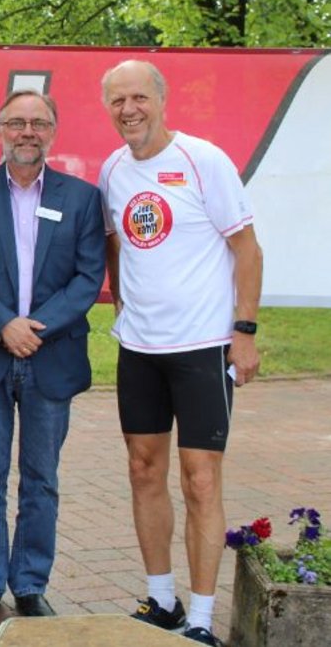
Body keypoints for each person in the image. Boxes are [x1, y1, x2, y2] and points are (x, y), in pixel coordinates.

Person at [99, 60, 262, 647]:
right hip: (140, 349)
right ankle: (162, 600)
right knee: (143, 471)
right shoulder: (113, 170)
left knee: (200, 481)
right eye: (117, 100)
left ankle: (199, 616)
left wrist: (243, 330)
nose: (128, 110)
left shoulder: (204, 161)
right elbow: (117, 247)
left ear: (161, 100)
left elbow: (247, 249)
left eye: (139, 97)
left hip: (202, 348)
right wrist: (121, 307)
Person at [0, 90, 105, 617]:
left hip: (51, 355)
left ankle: (30, 583)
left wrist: (36, 327)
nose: (27, 132)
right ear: (1, 130)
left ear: (53, 130)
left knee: (42, 480)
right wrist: (2, 326)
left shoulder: (81, 197)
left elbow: (87, 277)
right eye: (17, 122)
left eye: (38, 122)